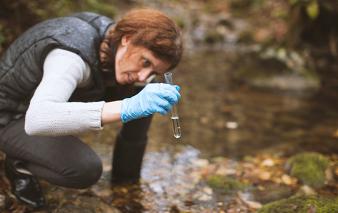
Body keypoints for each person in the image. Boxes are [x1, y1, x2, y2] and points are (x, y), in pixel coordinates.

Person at [0, 8, 183, 208]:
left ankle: (124, 181)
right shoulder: (69, 56)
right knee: (85, 169)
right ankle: (19, 165)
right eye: (145, 62)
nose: (143, 74)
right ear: (127, 39)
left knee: (146, 92)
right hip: (11, 115)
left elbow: (136, 121)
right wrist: (126, 107)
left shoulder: (116, 46)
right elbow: (38, 119)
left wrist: (126, 197)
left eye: (154, 70)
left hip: (47, 101)